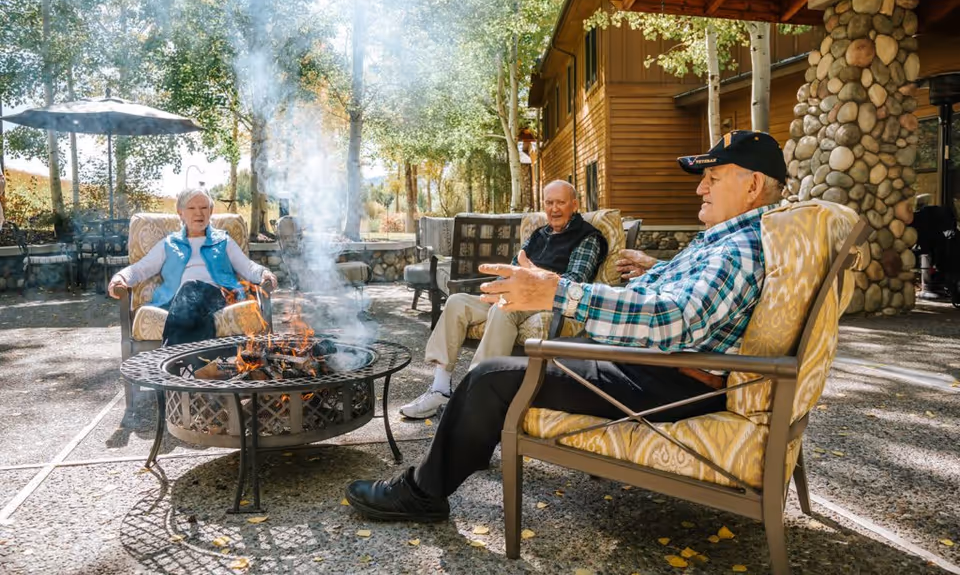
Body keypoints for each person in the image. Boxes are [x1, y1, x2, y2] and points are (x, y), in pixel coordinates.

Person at [345, 130, 787, 522]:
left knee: (489, 379)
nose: (700, 188)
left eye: (714, 177)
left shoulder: (738, 250)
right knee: (514, 365)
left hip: (664, 381)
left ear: (751, 185)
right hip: (648, 368)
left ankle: (423, 492)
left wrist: (557, 293)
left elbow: (671, 319)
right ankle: (463, 427)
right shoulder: (724, 241)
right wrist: (657, 268)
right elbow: (662, 296)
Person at [399, 180, 609, 419]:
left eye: (560, 202)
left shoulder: (588, 238)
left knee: (504, 307)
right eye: (549, 203)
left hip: (548, 301)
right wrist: (497, 286)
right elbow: (511, 268)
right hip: (513, 294)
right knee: (457, 302)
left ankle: (476, 394)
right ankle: (440, 388)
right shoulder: (540, 234)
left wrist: (533, 279)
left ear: (574, 204)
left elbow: (573, 282)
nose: (554, 209)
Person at [107, 188, 278, 346]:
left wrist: (264, 273)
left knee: (192, 287)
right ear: (180, 213)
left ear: (210, 212)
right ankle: (203, 368)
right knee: (191, 297)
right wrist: (120, 278)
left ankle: (170, 362)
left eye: (204, 207)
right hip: (179, 302)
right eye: (191, 208)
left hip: (219, 296)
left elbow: (247, 266)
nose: (199, 213)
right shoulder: (169, 244)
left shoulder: (223, 241)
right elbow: (140, 268)